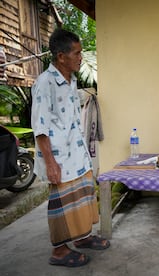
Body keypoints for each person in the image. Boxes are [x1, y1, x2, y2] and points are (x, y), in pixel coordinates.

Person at [31, 28, 110, 267]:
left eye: (80, 52)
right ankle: (60, 251)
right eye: (76, 53)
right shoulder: (45, 84)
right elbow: (40, 128)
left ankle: (83, 237)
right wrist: (51, 164)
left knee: (84, 197)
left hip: (77, 154)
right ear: (60, 56)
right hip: (59, 159)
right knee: (62, 205)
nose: (80, 57)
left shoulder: (72, 79)